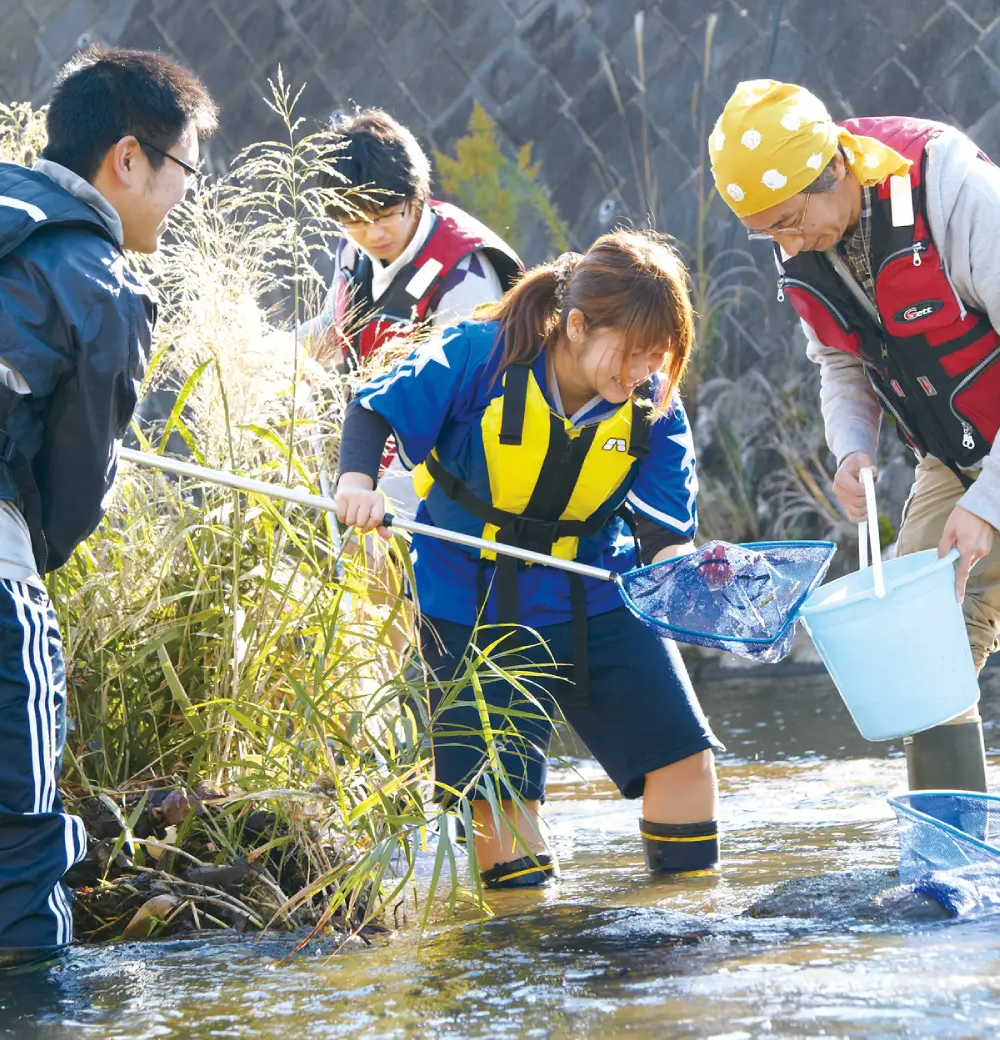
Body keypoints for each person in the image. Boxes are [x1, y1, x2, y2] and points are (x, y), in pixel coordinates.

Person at [335, 230, 722, 888]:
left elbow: (664, 536)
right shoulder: (479, 353)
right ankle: (527, 952)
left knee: (683, 756)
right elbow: (376, 409)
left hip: (597, 588)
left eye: (654, 358)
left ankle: (683, 927)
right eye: (628, 354)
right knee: (505, 810)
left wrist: (684, 568)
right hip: (468, 599)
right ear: (575, 325)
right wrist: (357, 483)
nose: (637, 375)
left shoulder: (651, 400)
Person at [708, 79, 1000, 792]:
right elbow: (841, 362)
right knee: (922, 649)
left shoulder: (955, 191)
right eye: (766, 230)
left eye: (787, 220)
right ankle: (951, 855)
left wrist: (989, 501)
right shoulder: (804, 242)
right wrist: (853, 451)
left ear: (836, 168)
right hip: (957, 454)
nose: (784, 243)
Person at [0, 46, 216, 959]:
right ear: (128, 159)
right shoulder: (99, 279)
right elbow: (77, 490)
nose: (185, 198)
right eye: (185, 171)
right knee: (18, 850)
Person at [304, 108, 522, 515]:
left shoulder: (465, 277)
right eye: (354, 221)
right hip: (367, 464)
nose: (374, 233)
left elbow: (458, 410)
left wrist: (384, 507)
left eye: (386, 215)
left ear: (415, 195)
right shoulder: (354, 249)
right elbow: (339, 329)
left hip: (448, 487)